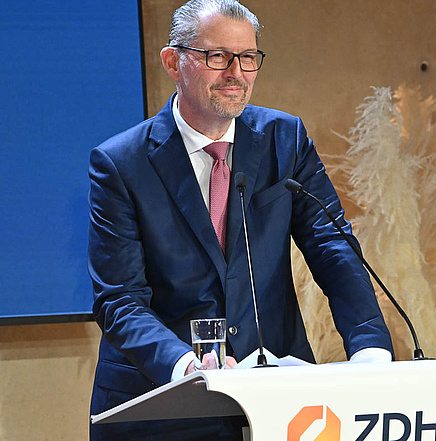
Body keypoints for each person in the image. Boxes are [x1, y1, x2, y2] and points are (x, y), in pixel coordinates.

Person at [87, 1, 394, 439]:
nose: (236, 72)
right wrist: (188, 369)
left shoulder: (284, 139)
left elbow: (332, 247)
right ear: (173, 62)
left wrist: (370, 352)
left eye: (248, 57)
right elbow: (119, 299)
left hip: (277, 403)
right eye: (218, 57)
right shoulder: (121, 163)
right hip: (161, 404)